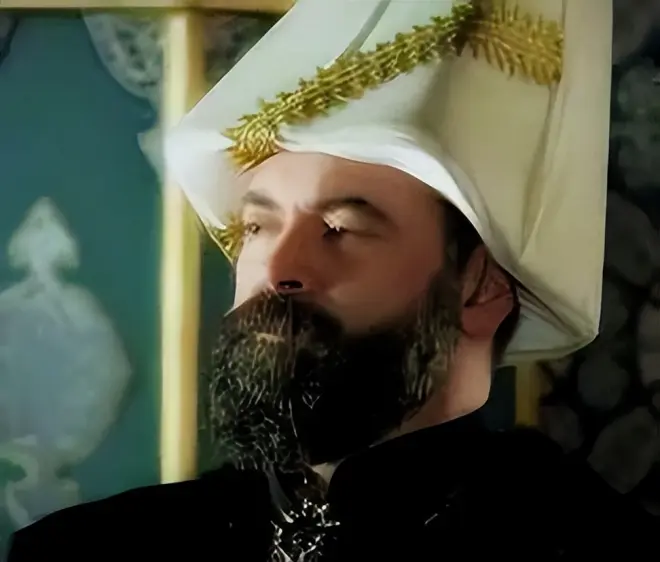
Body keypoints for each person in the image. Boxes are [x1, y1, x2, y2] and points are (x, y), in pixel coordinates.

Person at [7, 0, 658, 560]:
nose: (276, 270)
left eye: (340, 230)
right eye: (257, 227)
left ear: (481, 286)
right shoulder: (85, 555)